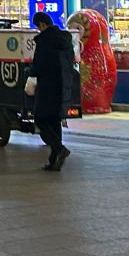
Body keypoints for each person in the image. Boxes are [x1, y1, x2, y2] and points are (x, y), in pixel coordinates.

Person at [28, 11, 75, 171]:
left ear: (42, 24)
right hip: (63, 86)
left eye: (38, 27)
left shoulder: (45, 40)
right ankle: (54, 160)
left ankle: (59, 148)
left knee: (40, 119)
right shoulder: (65, 40)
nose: (38, 30)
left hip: (48, 85)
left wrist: (31, 74)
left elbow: (40, 64)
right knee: (55, 121)